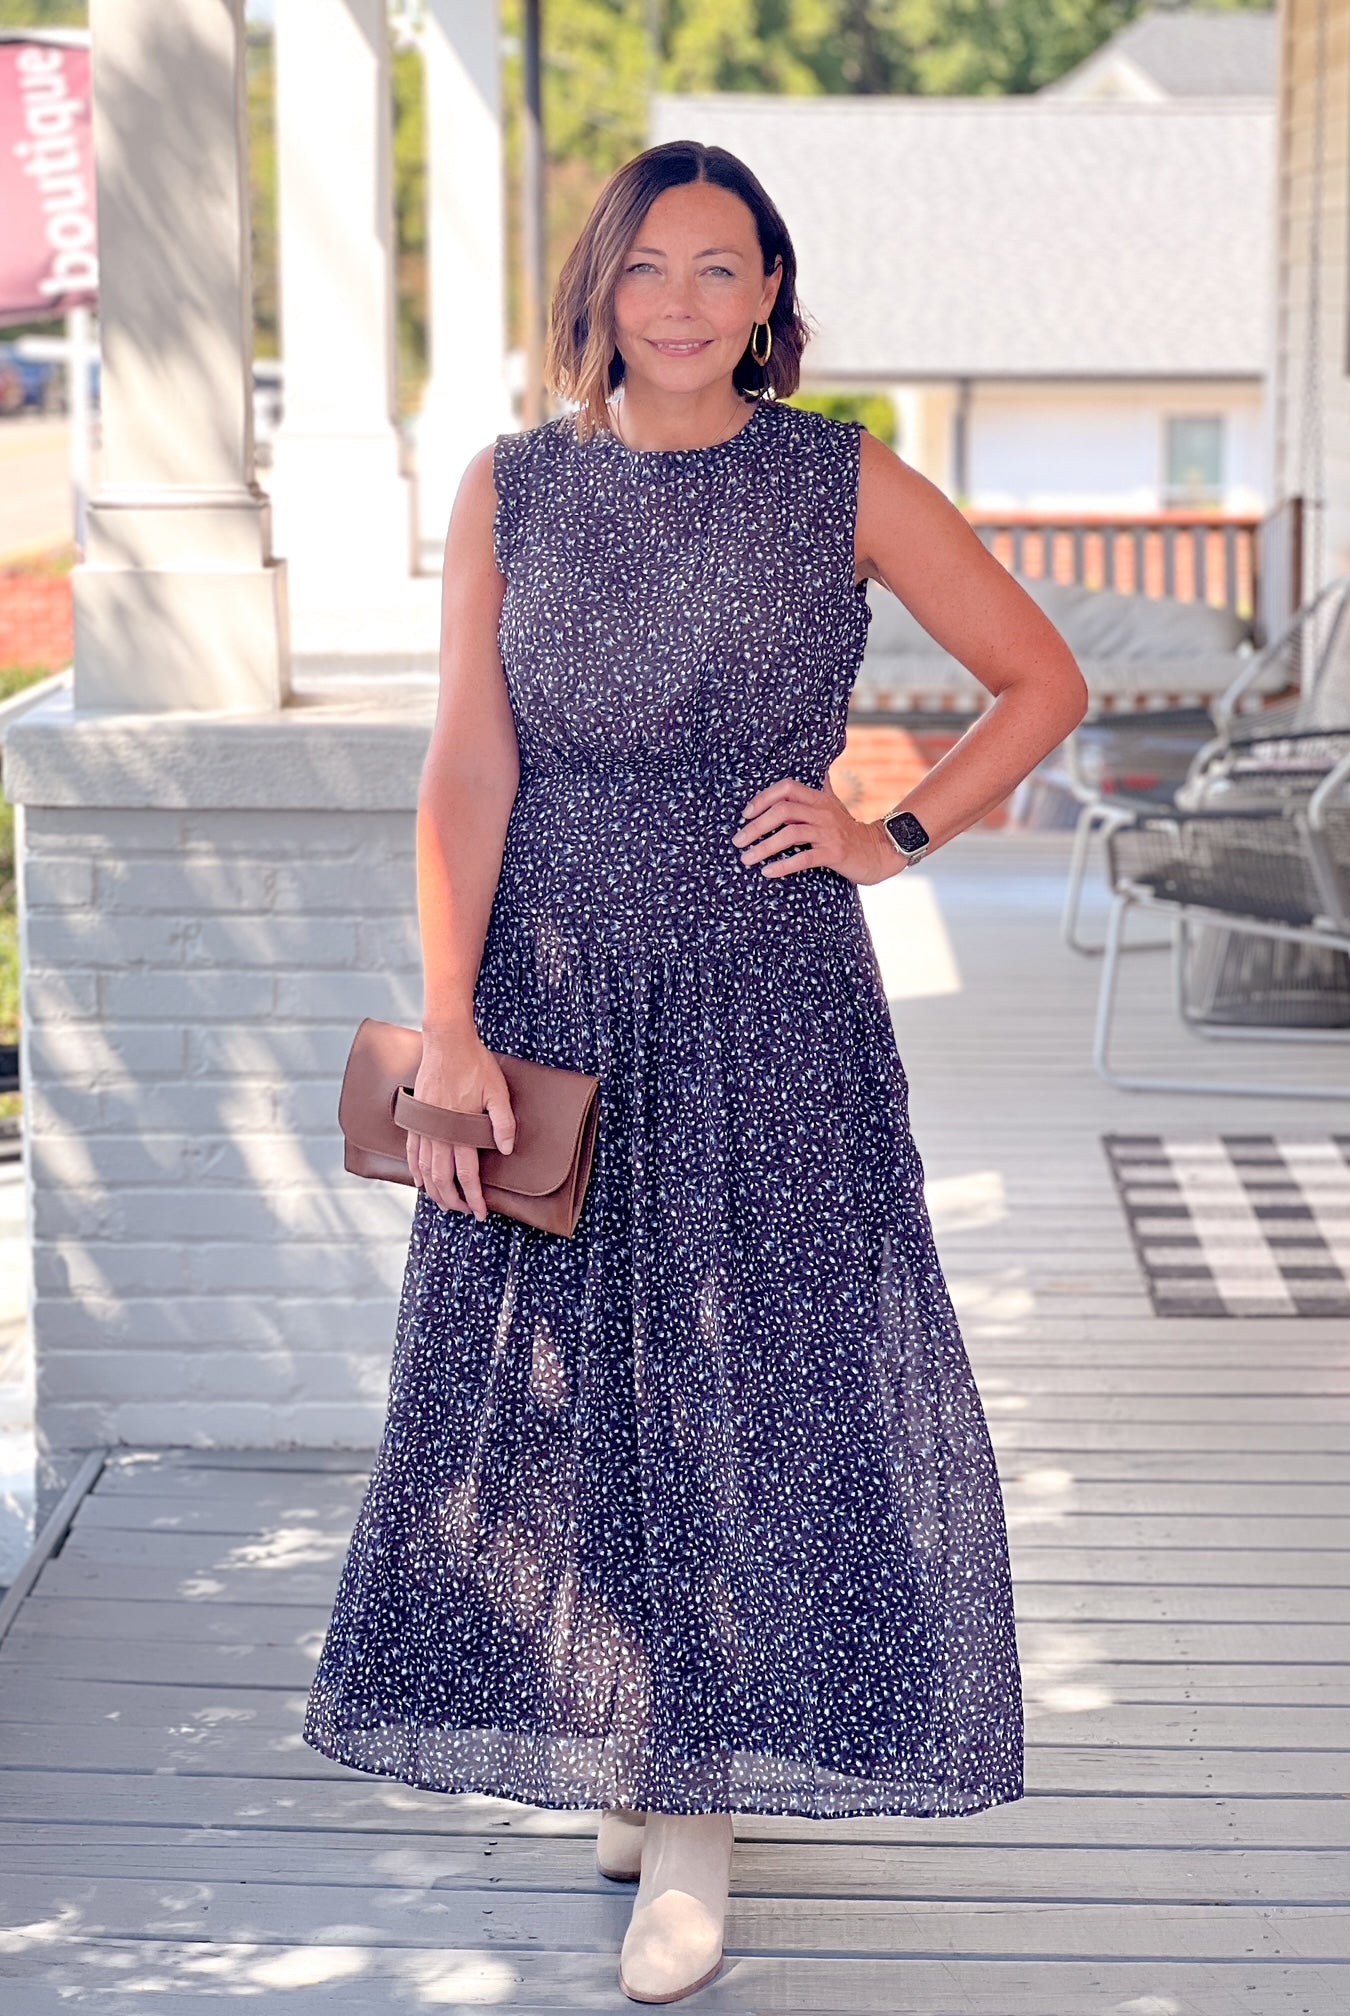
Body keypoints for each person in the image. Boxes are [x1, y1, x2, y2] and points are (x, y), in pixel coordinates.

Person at [304, 139, 1088, 2004]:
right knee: (571, 1386)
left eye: (716, 269)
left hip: (765, 987)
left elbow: (1036, 682)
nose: (677, 300)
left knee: (750, 1368)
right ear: (598, 290)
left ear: (767, 297)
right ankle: (637, 1740)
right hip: (552, 981)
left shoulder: (841, 478)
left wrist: (889, 835)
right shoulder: (510, 489)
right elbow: (467, 770)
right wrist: (456, 1017)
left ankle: (696, 1814)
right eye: (646, 266)